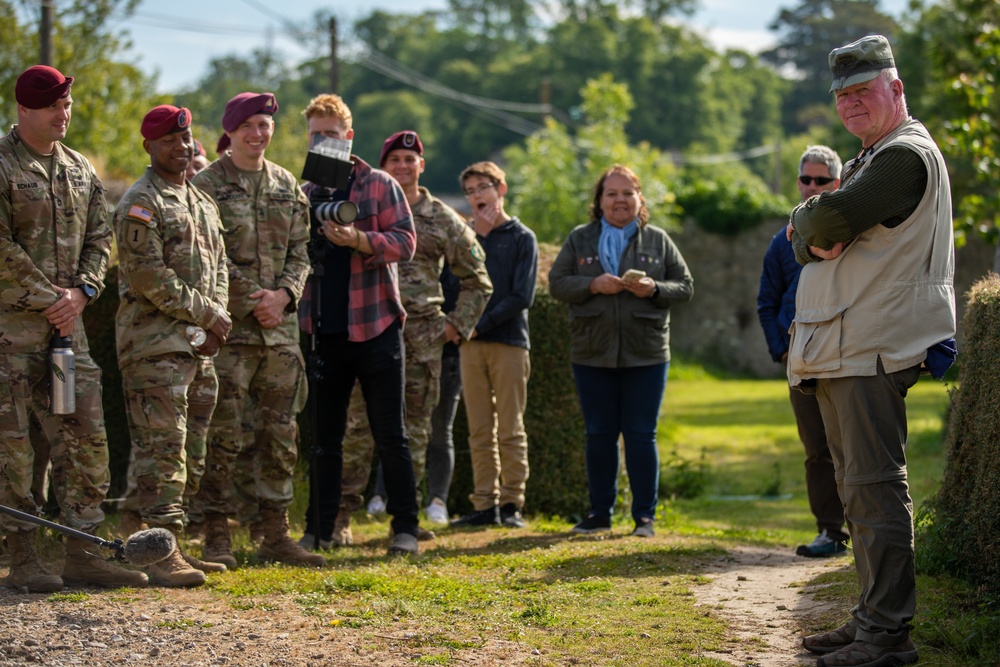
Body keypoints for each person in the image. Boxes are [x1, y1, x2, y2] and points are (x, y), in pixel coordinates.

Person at [786, 35, 955, 667]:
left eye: (863, 91)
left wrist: (807, 226)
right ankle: (869, 621)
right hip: (847, 344)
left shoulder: (902, 156)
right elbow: (817, 226)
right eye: (843, 95)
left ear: (896, 89)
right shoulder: (871, 156)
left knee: (874, 489)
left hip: (872, 346)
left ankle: (887, 636)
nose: (852, 104)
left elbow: (823, 224)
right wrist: (812, 227)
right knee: (858, 490)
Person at [0, 65, 146, 590]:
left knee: (84, 432)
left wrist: (83, 291)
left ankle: (83, 549)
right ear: (23, 109)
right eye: (52, 107)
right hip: (11, 338)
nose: (63, 114)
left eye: (66, 105)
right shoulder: (1, 164)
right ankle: (23, 555)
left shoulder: (80, 169)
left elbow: (99, 239)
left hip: (68, 336)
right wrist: (50, 299)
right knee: (12, 448)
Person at [335, 131, 491, 543]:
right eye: (395, 160)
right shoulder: (364, 207)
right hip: (370, 327)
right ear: (383, 167)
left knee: (416, 429)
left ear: (422, 166)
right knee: (357, 426)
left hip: (421, 335)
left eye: (410, 159)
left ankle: (405, 519)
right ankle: (340, 517)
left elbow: (478, 279)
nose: (403, 166)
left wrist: (456, 325)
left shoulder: (443, 217)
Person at [191, 92, 323, 569]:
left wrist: (285, 295)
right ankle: (216, 534)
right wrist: (255, 299)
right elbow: (207, 258)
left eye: (264, 125)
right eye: (248, 125)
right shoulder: (205, 185)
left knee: (280, 434)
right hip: (231, 333)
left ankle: (275, 534)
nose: (257, 134)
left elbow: (301, 252)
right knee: (222, 435)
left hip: (280, 336)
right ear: (231, 131)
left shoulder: (287, 185)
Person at [296, 94, 421, 555]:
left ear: (348, 137)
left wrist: (360, 239)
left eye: (331, 135)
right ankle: (318, 530)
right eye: (316, 135)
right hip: (323, 327)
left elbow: (406, 243)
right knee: (322, 439)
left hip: (375, 326)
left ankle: (405, 528)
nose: (324, 142)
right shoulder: (306, 192)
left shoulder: (379, 184)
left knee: (391, 433)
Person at [114, 104, 233, 587]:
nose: (181, 148)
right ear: (149, 147)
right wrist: (208, 313)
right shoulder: (141, 201)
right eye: (170, 141)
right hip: (154, 347)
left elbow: (220, 268)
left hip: (197, 348)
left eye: (186, 140)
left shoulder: (201, 200)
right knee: (163, 451)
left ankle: (165, 544)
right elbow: (147, 275)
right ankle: (160, 554)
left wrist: (214, 321)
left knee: (193, 452)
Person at [549, 165, 693, 537]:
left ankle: (644, 518)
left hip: (646, 354)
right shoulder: (580, 239)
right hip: (591, 353)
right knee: (598, 434)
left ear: (640, 198)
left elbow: (686, 286)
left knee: (641, 434)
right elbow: (558, 284)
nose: (619, 200)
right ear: (599, 201)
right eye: (611, 193)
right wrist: (592, 284)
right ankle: (600, 514)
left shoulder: (658, 240)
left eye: (627, 192)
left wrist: (655, 290)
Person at [757, 145, 849, 558]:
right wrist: (781, 350)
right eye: (806, 180)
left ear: (837, 183)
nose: (812, 187)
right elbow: (766, 300)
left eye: (822, 181)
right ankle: (829, 531)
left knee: (853, 445)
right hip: (799, 356)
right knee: (817, 448)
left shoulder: (852, 231)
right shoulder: (783, 240)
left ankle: (867, 533)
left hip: (847, 349)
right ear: (798, 182)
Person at [450, 161, 538, 529]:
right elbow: (453, 286)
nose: (476, 197)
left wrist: (477, 324)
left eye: (483, 188)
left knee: (510, 427)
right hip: (471, 345)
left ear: (500, 189)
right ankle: (484, 503)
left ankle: (512, 503)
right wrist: (477, 239)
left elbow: (521, 296)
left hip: (509, 343)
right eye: (470, 192)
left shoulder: (522, 238)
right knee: (479, 426)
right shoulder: (465, 238)